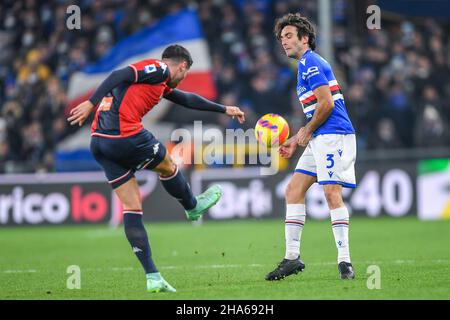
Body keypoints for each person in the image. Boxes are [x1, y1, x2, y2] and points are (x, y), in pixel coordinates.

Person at [68, 44, 246, 292]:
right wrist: (90, 102)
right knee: (168, 164)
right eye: (184, 74)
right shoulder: (160, 69)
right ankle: (192, 207)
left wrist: (224, 109)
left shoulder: (159, 83)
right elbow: (118, 74)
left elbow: (186, 99)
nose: (182, 80)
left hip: (99, 142)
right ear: (182, 65)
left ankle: (153, 276)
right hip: (124, 135)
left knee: (132, 207)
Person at [265, 13, 356, 281]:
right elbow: (317, 108)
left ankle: (344, 262)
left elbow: (326, 104)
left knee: (331, 193)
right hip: (320, 137)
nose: (284, 42)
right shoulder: (305, 65)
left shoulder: (311, 62)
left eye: (289, 36)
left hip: (333, 135)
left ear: (305, 39)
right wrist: (296, 139)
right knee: (293, 190)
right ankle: (292, 258)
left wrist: (305, 131)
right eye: (282, 38)